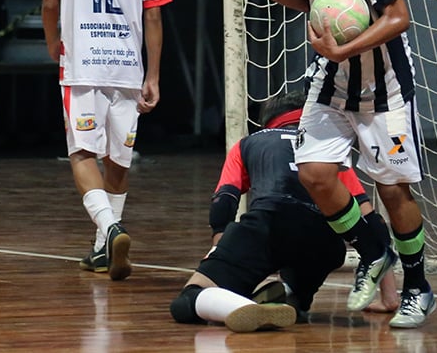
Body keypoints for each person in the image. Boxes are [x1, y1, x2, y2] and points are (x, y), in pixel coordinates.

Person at [229, 0, 435, 328]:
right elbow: (309, 3)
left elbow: (399, 16)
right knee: (315, 174)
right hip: (333, 79)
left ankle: (418, 286)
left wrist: (345, 50)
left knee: (392, 189)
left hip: (384, 86)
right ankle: (373, 249)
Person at [35, 0, 172, 281]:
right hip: (128, 66)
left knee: (81, 152)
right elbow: (154, 17)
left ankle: (110, 227)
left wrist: (51, 42)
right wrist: (154, 76)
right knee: (119, 159)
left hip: (84, 63)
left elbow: (49, 2)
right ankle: (102, 249)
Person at [169, 91, 398, 333]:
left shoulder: (250, 142)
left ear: (268, 121)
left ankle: (239, 305)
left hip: (269, 225)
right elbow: (373, 222)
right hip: (325, 243)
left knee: (187, 301)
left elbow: (223, 204)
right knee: (299, 296)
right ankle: (290, 295)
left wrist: (219, 253)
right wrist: (389, 296)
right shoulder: (327, 153)